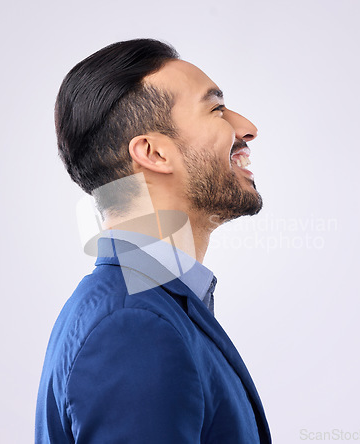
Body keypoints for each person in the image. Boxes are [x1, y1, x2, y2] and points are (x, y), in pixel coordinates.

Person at [35, 38, 272, 443]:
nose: (247, 127)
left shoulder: (144, 307)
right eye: (216, 109)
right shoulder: (132, 328)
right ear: (154, 154)